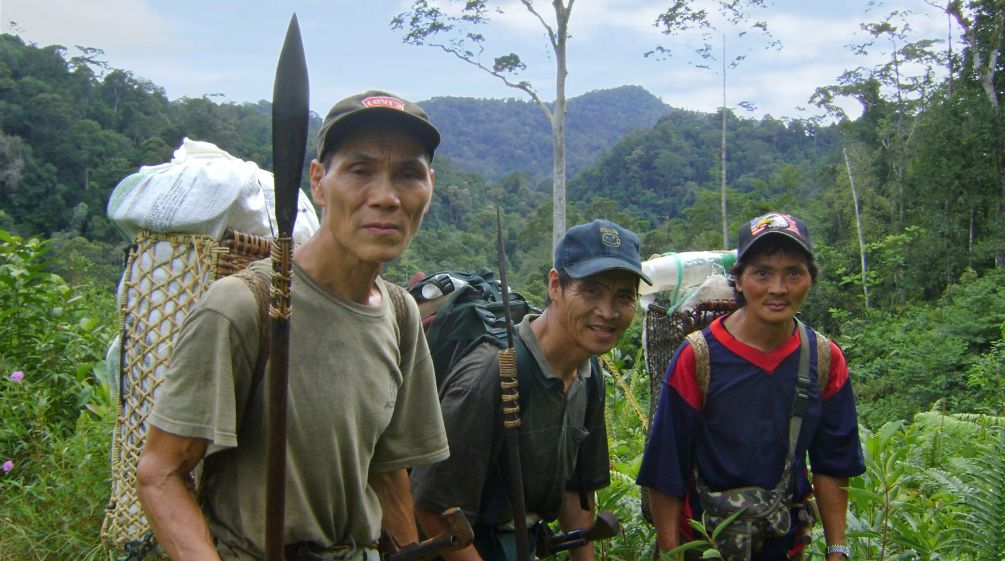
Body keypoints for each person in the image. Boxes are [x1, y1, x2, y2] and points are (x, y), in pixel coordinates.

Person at [136, 91, 450, 561]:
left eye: (408, 174)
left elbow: (387, 470)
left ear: (429, 187)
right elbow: (160, 473)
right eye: (361, 171)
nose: (386, 198)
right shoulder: (244, 306)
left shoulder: (401, 314)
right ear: (320, 183)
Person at [410, 219, 653, 561]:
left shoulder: (589, 373)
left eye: (624, 296)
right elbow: (433, 507)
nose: (608, 311)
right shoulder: (495, 374)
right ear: (555, 285)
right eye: (592, 290)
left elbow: (576, 496)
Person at [637, 212, 865, 561]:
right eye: (762, 273)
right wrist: (671, 554)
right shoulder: (698, 357)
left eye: (793, 273)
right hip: (704, 547)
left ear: (810, 279)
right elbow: (666, 470)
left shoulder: (825, 359)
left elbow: (832, 464)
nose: (778, 288)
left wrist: (837, 549)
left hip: (784, 546)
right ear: (739, 281)